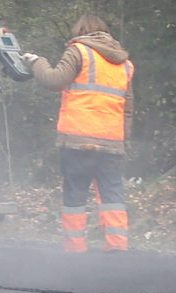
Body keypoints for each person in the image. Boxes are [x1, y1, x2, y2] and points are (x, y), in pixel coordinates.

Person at [22, 15, 133, 252]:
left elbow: (54, 80)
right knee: (112, 192)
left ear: (80, 31)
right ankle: (117, 246)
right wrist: (124, 142)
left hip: (78, 138)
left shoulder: (79, 51)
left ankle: (75, 248)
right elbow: (128, 109)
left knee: (75, 191)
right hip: (112, 141)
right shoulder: (125, 63)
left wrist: (36, 62)